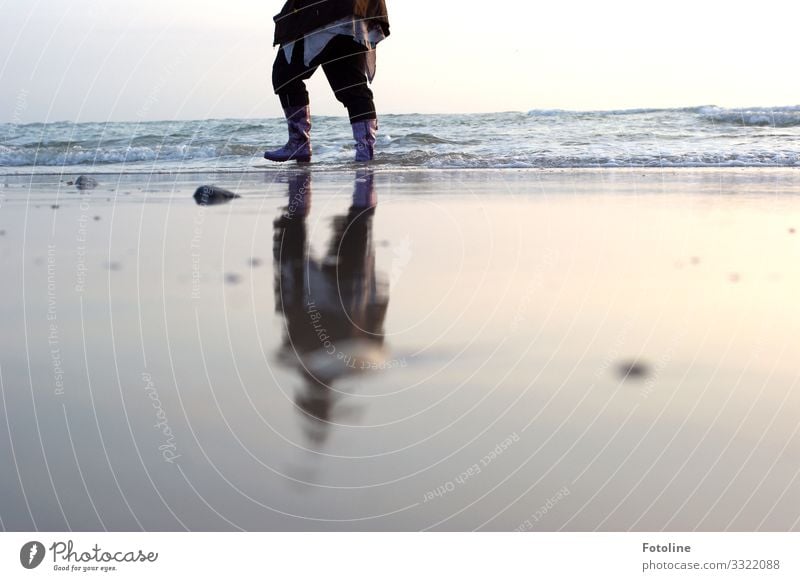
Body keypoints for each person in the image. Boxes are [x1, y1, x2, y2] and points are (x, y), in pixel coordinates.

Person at [264, 1, 390, 164]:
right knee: (352, 86)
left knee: (285, 76)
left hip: (326, 11)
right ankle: (365, 154)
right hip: (353, 10)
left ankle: (300, 143)